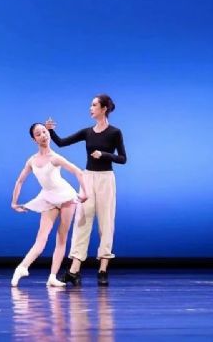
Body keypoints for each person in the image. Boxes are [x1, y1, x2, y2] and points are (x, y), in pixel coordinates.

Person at [45, 94, 127, 286]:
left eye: (94, 105)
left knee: (106, 222)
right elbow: (62, 142)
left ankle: (103, 270)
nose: (90, 108)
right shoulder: (87, 132)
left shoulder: (115, 132)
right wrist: (50, 131)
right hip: (87, 177)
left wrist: (105, 154)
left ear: (104, 108)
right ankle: (74, 271)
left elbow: (123, 158)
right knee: (82, 220)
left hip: (106, 179)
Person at [10, 122, 88, 287]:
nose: (43, 136)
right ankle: (22, 267)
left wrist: (85, 193)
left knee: (62, 237)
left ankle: (53, 276)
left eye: (45, 132)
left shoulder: (55, 158)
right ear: (34, 139)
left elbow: (78, 171)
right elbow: (19, 181)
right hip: (48, 197)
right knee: (41, 238)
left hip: (66, 197)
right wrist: (14, 202)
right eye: (38, 134)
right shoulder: (32, 160)